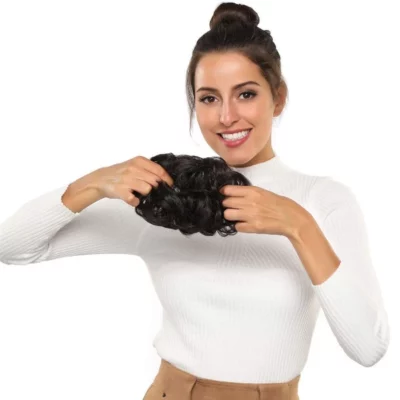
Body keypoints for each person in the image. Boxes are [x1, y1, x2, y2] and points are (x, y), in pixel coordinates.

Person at [0, 2, 390, 400]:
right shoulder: (171, 197)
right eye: (208, 99)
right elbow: (11, 247)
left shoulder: (322, 201)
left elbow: (368, 348)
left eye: (246, 94)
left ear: (278, 98)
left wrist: (298, 225)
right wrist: (91, 184)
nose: (226, 117)